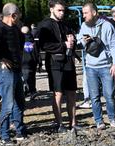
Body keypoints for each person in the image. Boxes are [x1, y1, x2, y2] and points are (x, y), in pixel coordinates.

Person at [0, 3, 28, 145]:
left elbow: (20, 43)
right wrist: (1, 58)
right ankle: (4, 135)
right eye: (18, 14)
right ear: (13, 15)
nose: (20, 16)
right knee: (7, 103)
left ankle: (20, 131)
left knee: (19, 101)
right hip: (5, 70)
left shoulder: (15, 29)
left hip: (16, 69)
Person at [77, 2, 115, 130]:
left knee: (109, 94)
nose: (83, 15)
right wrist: (83, 41)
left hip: (106, 66)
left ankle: (112, 119)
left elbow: (114, 46)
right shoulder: (84, 26)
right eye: (83, 13)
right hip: (91, 67)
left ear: (94, 13)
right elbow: (79, 40)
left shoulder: (107, 26)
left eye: (86, 13)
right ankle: (99, 121)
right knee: (94, 96)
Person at [39, 0, 79, 132]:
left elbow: (72, 40)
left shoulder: (66, 25)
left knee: (72, 93)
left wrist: (73, 41)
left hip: (68, 62)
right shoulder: (45, 25)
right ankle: (59, 124)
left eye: (63, 10)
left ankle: (73, 123)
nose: (62, 13)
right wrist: (63, 45)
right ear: (51, 9)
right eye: (59, 10)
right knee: (58, 94)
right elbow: (44, 45)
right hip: (55, 63)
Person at [21, 26, 39, 99]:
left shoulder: (19, 42)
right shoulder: (34, 41)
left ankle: (30, 91)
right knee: (32, 77)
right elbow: (37, 52)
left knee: (25, 78)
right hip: (33, 62)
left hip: (24, 62)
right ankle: (32, 91)